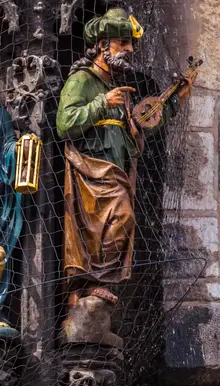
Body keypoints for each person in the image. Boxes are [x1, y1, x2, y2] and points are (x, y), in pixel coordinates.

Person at [56, 8, 192, 312]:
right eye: (122, 42)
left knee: (119, 222)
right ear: (103, 45)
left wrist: (174, 101)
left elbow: (141, 127)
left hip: (116, 173)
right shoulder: (82, 80)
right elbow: (65, 124)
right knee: (120, 219)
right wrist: (103, 103)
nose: (129, 50)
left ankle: (94, 286)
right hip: (90, 174)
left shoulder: (118, 89)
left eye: (130, 43)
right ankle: (90, 284)